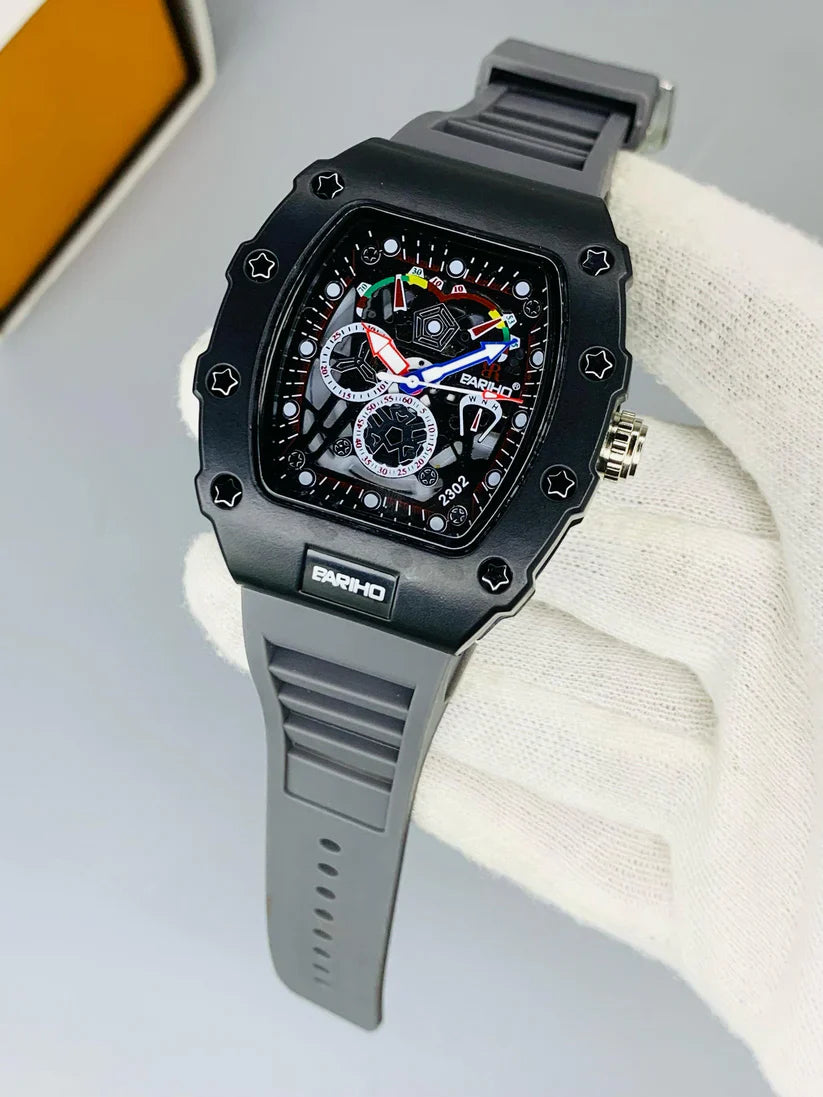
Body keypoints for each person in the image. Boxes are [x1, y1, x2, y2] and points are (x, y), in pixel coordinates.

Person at [178, 151, 823, 1097]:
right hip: (293, 527)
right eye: (383, 364)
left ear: (599, 448)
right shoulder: (353, 331)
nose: (401, 382)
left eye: (434, 378)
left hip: (433, 559)